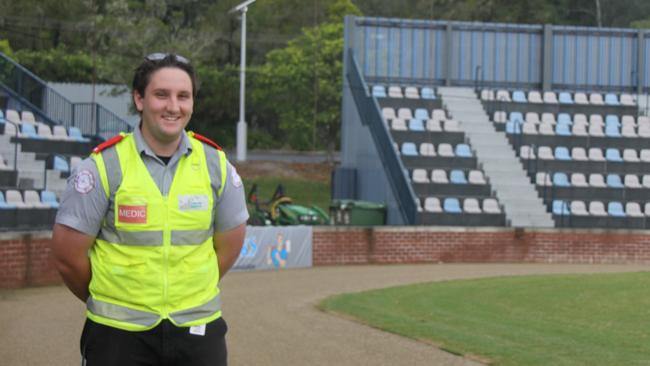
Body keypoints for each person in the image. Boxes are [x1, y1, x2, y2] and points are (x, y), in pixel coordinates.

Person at [51, 53, 249, 366]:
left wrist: (185, 294)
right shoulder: (104, 166)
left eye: (183, 96)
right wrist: (110, 297)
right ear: (139, 99)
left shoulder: (217, 165)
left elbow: (228, 247)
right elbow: (67, 257)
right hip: (117, 333)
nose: (173, 106)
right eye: (161, 95)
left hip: (197, 328)